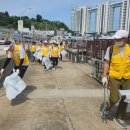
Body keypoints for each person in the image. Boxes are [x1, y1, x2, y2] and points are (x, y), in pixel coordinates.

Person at [102, 30, 130, 129]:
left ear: (125, 39)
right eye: (115, 38)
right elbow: (106, 63)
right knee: (114, 98)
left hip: (127, 77)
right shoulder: (111, 49)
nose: (116, 40)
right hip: (114, 77)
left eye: (118, 39)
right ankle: (107, 108)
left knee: (125, 99)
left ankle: (119, 117)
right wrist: (104, 76)